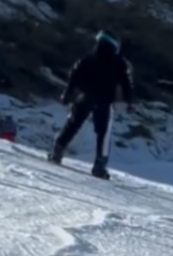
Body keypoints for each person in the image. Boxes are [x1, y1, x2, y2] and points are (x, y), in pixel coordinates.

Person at [49, 30, 134, 179]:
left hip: (85, 97)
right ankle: (99, 166)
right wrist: (129, 101)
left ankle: (57, 150)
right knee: (103, 133)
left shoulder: (87, 59)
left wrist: (67, 94)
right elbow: (126, 84)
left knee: (73, 124)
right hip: (104, 101)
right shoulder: (119, 63)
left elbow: (73, 76)